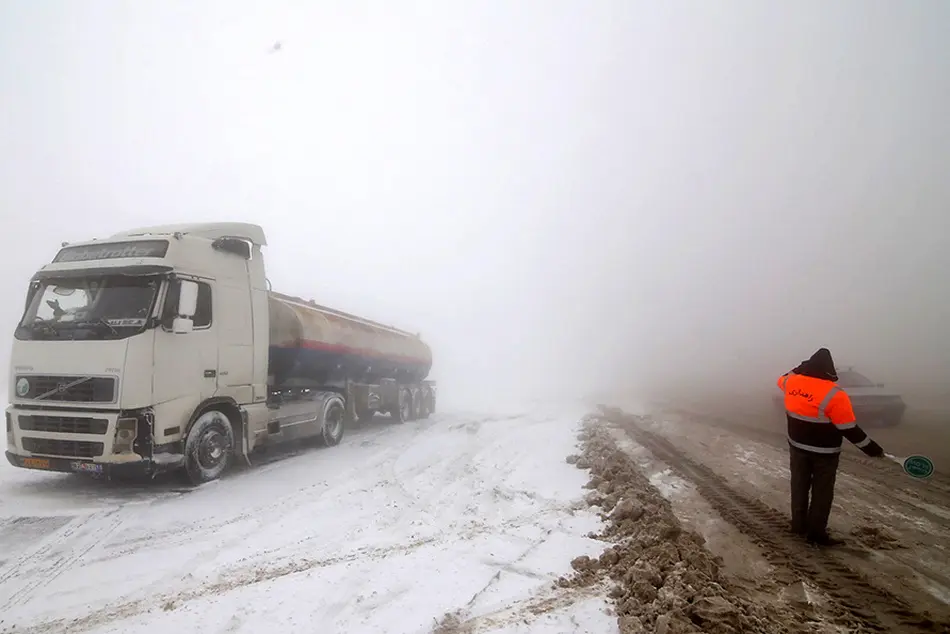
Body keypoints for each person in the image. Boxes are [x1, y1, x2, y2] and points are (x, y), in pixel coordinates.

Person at [777, 348, 885, 546]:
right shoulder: (835, 395)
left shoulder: (791, 383)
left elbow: (783, 377)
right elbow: (849, 429)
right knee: (822, 492)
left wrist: (800, 367)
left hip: (797, 447)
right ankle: (816, 533)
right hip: (824, 453)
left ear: (809, 366)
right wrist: (873, 449)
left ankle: (798, 525)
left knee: (799, 486)